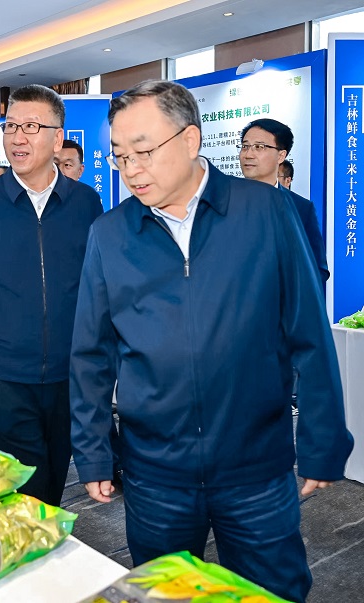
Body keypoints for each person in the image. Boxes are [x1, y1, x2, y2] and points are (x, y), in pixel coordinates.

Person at [69, 80, 353, 603]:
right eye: (120, 156)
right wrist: (92, 452)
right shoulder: (109, 233)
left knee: (274, 590)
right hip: (155, 472)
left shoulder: (266, 211)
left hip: (255, 465)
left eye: (143, 151)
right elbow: (91, 353)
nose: (131, 169)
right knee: (164, 594)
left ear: (190, 139)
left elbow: (308, 332)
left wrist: (323, 438)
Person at [0, 85, 104, 506]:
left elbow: (98, 290)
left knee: (56, 476)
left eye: (31, 127)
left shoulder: (85, 203)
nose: (17, 138)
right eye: (11, 126)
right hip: (4, 372)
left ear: (57, 138)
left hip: (70, 371)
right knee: (21, 487)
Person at [238, 118, 328, 281]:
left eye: (259, 147)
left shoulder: (301, 208)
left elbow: (318, 269)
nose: (248, 154)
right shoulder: (223, 201)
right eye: (245, 146)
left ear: (281, 155)